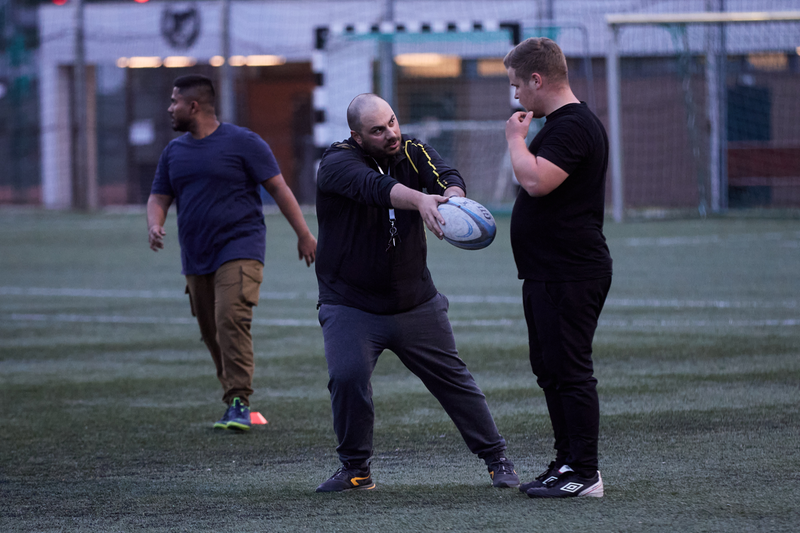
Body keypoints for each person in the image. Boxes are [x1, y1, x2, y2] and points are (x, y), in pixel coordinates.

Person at [313, 93, 519, 493]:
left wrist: (454, 202)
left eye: (392, 121)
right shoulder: (337, 162)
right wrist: (421, 201)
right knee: (347, 377)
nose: (391, 133)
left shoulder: (412, 150)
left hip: (415, 301)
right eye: (377, 130)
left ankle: (497, 458)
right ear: (357, 136)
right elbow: (375, 187)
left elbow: (446, 175)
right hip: (350, 303)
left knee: (454, 380)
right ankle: (356, 470)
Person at [147, 74, 317, 431]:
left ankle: (240, 400)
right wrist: (155, 223)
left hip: (241, 247)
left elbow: (280, 188)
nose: (170, 108)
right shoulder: (173, 152)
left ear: (194, 106)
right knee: (212, 331)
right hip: (196, 255)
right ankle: (233, 400)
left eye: (175, 102)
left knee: (230, 317)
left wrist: (304, 234)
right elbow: (159, 197)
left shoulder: (244, 142)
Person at [504, 37, 613, 498]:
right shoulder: (560, 124)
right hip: (548, 271)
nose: (515, 95)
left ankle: (585, 473)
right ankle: (567, 462)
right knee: (550, 370)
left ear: (537, 79)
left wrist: (515, 140)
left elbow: (535, 180)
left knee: (570, 371)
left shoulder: (573, 125)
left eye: (517, 85)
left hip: (570, 271)